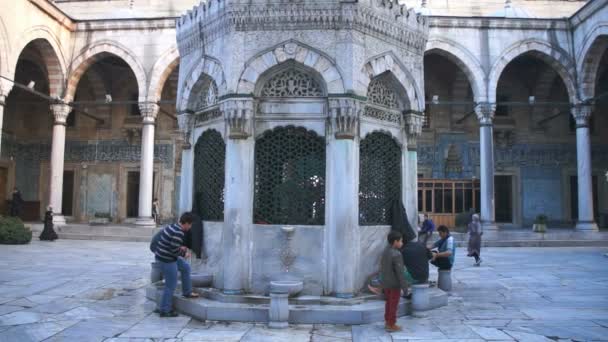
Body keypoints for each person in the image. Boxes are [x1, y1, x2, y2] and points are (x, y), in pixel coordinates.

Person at [153, 212, 200, 317]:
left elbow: (172, 245)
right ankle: (165, 310)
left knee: (186, 267)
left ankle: (187, 292)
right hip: (166, 259)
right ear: (187, 223)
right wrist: (184, 253)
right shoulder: (179, 232)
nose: (191, 227)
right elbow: (174, 250)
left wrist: (180, 248)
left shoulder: (174, 226)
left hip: (165, 256)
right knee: (171, 285)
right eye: (191, 224)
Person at [380, 231, 409, 332]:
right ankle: (391, 324)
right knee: (393, 305)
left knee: (388, 303)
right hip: (394, 284)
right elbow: (400, 273)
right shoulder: (396, 254)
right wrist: (405, 288)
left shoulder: (385, 251)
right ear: (395, 242)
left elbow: (382, 268)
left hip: (386, 283)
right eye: (401, 241)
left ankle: (388, 322)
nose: (402, 243)